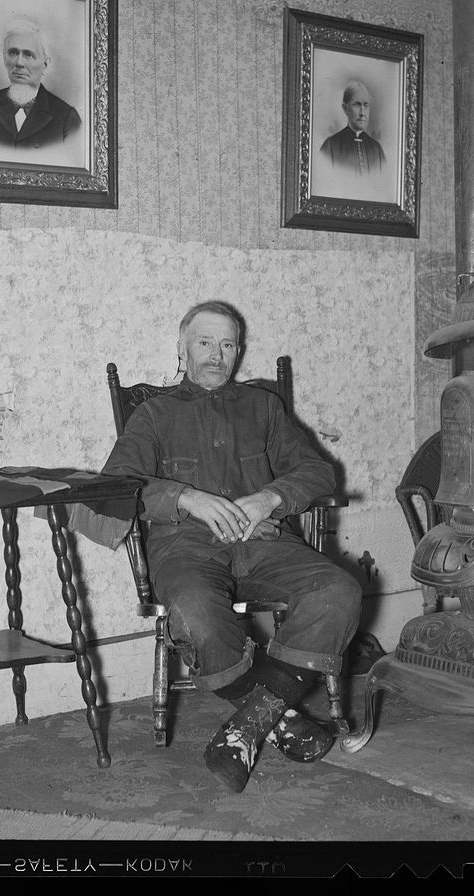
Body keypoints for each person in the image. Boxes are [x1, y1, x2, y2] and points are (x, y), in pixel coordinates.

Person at [101, 301, 362, 794]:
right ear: (182, 347)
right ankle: (282, 716)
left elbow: (317, 471)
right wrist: (184, 497)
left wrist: (272, 497)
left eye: (228, 344)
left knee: (339, 590)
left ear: (238, 351)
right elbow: (116, 485)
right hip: (186, 548)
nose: (217, 354)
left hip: (264, 544)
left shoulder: (263, 407)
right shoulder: (155, 414)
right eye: (205, 342)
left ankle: (249, 726)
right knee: (195, 611)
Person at [0, 20, 81, 149]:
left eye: (28, 55)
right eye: (13, 53)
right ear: (4, 59)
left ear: (45, 65)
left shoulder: (67, 118)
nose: (19, 63)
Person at [320, 80, 386, 175]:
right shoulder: (330, 146)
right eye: (357, 105)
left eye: (366, 105)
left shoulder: (377, 149)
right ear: (345, 108)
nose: (362, 113)